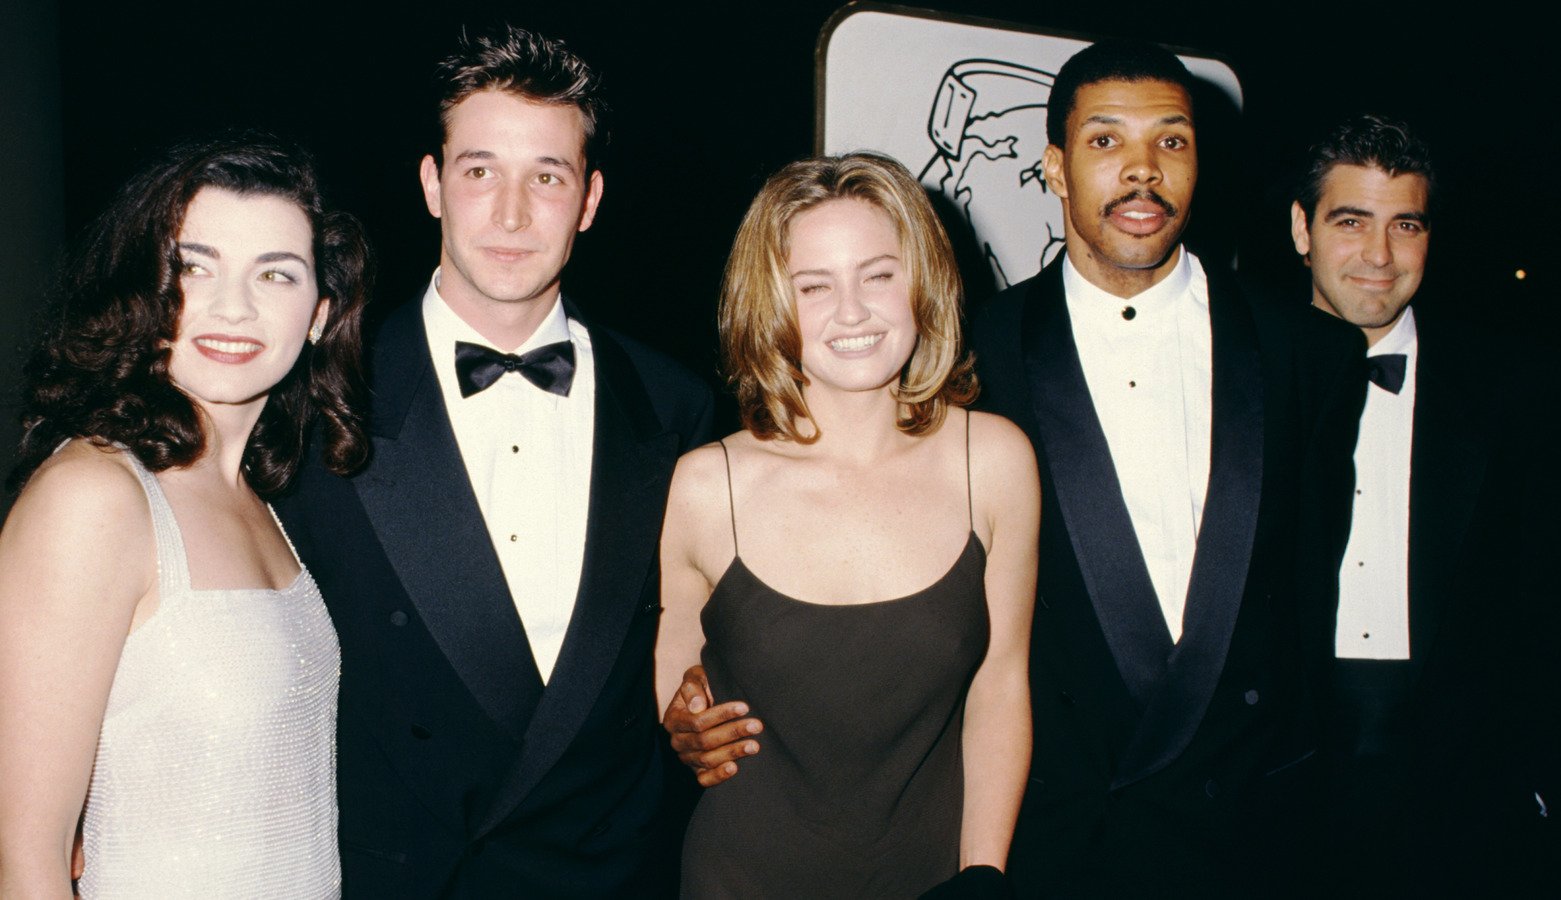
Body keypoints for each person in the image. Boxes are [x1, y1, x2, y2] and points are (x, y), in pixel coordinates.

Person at [271, 26, 714, 897]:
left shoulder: (676, 407)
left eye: (546, 177)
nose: (512, 215)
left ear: (589, 199)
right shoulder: (313, 400)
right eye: (480, 171)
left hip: (607, 876)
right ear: (432, 184)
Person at [962, 40, 1365, 896]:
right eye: (1106, 140)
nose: (1142, 170)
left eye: (1171, 141)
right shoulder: (971, 357)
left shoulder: (1311, 353)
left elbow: (1307, 600)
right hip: (1062, 838)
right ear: (1055, 167)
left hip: (1255, 836)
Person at [654, 152, 1037, 898]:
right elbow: (675, 670)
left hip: (938, 881)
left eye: (878, 275)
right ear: (771, 303)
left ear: (922, 281)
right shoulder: (705, 486)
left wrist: (982, 875)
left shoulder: (993, 461)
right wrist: (683, 719)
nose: (853, 311)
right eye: (814, 286)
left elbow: (1001, 684)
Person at [0, 133, 369, 898]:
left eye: (275, 273)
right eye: (196, 266)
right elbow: (25, 859)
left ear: (318, 314)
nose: (233, 306)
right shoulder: (95, 497)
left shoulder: (259, 496)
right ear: (149, 287)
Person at [1290, 114, 1561, 896]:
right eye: (1351, 222)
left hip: (1467, 800)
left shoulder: (1525, 389)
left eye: (1406, 225)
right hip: (1281, 788)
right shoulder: (1233, 384)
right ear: (1301, 229)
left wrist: (1552, 792)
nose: (1379, 255)